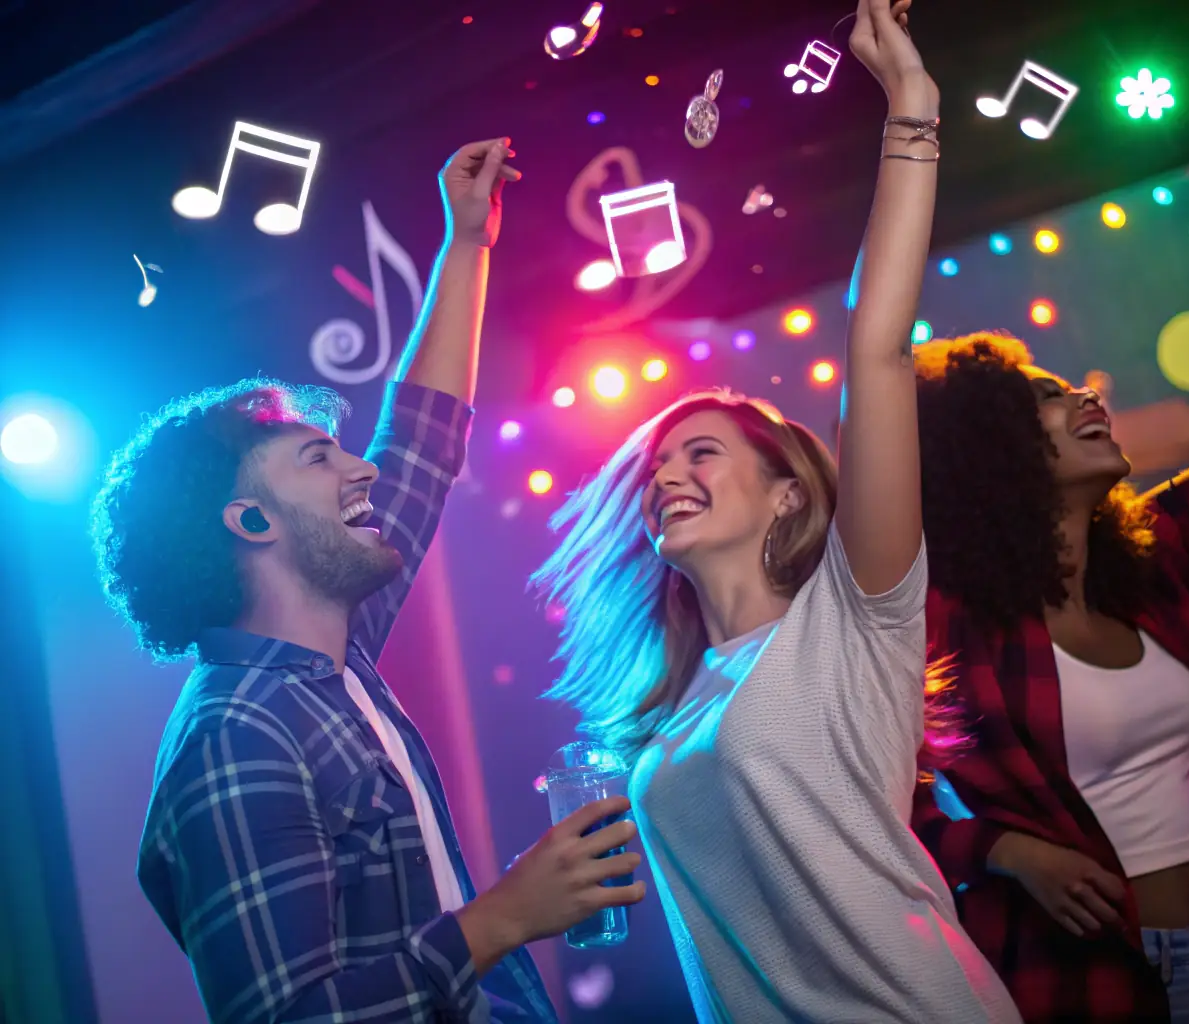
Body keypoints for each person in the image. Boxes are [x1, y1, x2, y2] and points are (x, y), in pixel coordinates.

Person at [532, 2, 1020, 1021]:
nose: (665, 474)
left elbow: (878, 350)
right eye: (657, 463)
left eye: (699, 452)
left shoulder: (853, 618)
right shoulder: (665, 712)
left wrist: (911, 112)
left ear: (787, 491)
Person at [91, 139, 644, 1024]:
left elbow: (421, 444)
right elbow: (288, 1019)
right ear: (252, 523)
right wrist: (500, 919)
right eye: (320, 457)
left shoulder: (330, 661)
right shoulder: (237, 738)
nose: (365, 472)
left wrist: (467, 244)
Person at [908, 266, 1189, 1021]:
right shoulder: (943, 619)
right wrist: (1000, 850)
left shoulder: (1155, 553)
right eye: (1046, 398)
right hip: (1105, 979)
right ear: (984, 453)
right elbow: (866, 796)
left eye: (1073, 389)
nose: (1085, 398)